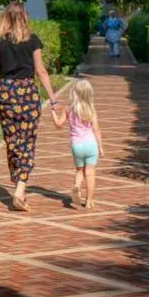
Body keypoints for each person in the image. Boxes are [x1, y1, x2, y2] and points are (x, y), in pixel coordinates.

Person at [0, 2, 59, 211]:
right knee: (27, 141)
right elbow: (41, 71)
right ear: (25, 17)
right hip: (27, 93)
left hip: (5, 94)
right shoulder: (32, 40)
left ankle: (17, 179)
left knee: (12, 141)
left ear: (5, 17)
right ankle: (20, 187)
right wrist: (53, 100)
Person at [50, 78, 103, 208]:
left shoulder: (69, 109)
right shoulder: (91, 110)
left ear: (74, 93)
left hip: (77, 146)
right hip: (91, 145)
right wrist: (100, 147)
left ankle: (77, 186)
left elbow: (59, 125)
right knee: (90, 173)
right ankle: (89, 200)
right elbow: (96, 130)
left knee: (79, 171)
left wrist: (53, 113)